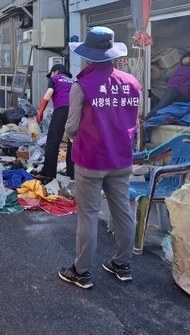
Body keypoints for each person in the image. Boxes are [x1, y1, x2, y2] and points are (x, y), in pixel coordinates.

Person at [58, 26, 141, 289]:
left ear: (89, 55)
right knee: (123, 212)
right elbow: (135, 121)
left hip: (91, 160)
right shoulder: (133, 82)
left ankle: (81, 272)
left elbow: (71, 128)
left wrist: (72, 137)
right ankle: (122, 264)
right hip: (122, 159)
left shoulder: (81, 85)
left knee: (88, 216)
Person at [36, 63, 75, 182]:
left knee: (53, 140)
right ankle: (71, 171)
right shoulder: (71, 81)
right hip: (75, 110)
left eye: (51, 73)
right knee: (72, 141)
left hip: (62, 109)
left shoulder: (55, 78)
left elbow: (49, 93)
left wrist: (41, 111)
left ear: (56, 71)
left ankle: (49, 173)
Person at [144, 51, 190, 121]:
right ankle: (144, 123)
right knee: (162, 106)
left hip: (186, 94)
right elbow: (184, 61)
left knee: (175, 112)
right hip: (176, 87)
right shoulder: (189, 56)